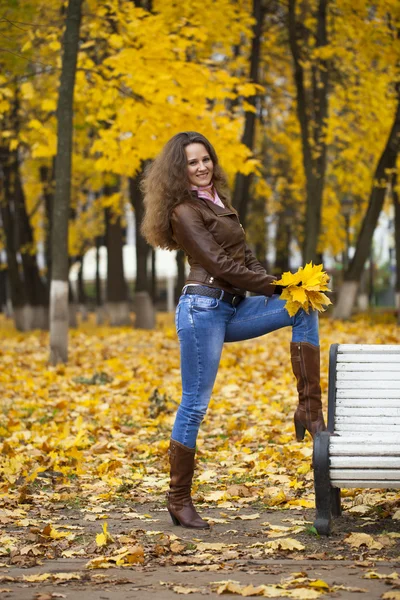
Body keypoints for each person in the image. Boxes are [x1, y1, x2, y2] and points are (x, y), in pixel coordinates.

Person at [141, 131, 326, 530]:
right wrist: (276, 285)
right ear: (179, 170)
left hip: (233, 306)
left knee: (303, 303)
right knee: (194, 404)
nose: (202, 166)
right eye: (192, 162)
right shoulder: (184, 212)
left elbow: (246, 259)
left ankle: (309, 408)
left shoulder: (219, 201)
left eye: (205, 158)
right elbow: (220, 265)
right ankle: (178, 499)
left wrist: (284, 286)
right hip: (202, 309)